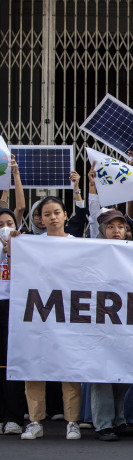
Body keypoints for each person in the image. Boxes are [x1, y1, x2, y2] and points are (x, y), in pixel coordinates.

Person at [18, 196, 82, 440]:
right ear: (41, 219)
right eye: (47, 214)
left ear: (65, 215)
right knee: (35, 364)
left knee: (70, 367)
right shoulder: (31, 244)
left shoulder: (78, 244)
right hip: (38, 312)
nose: (53, 217)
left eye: (57, 212)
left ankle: (72, 421)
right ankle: (35, 420)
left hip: (68, 313)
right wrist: (15, 242)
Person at [89, 210, 133, 441]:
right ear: (102, 230)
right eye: (110, 227)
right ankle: (103, 423)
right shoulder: (92, 253)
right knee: (102, 373)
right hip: (101, 320)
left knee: (123, 374)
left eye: (120, 226)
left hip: (125, 321)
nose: (116, 231)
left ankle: (119, 419)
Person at [0, 168, 25, 435]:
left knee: (12, 363)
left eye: (9, 223)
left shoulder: (22, 243)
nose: (6, 228)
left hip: (14, 306)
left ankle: (13, 417)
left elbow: (19, 206)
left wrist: (14, 174)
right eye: (1, 224)